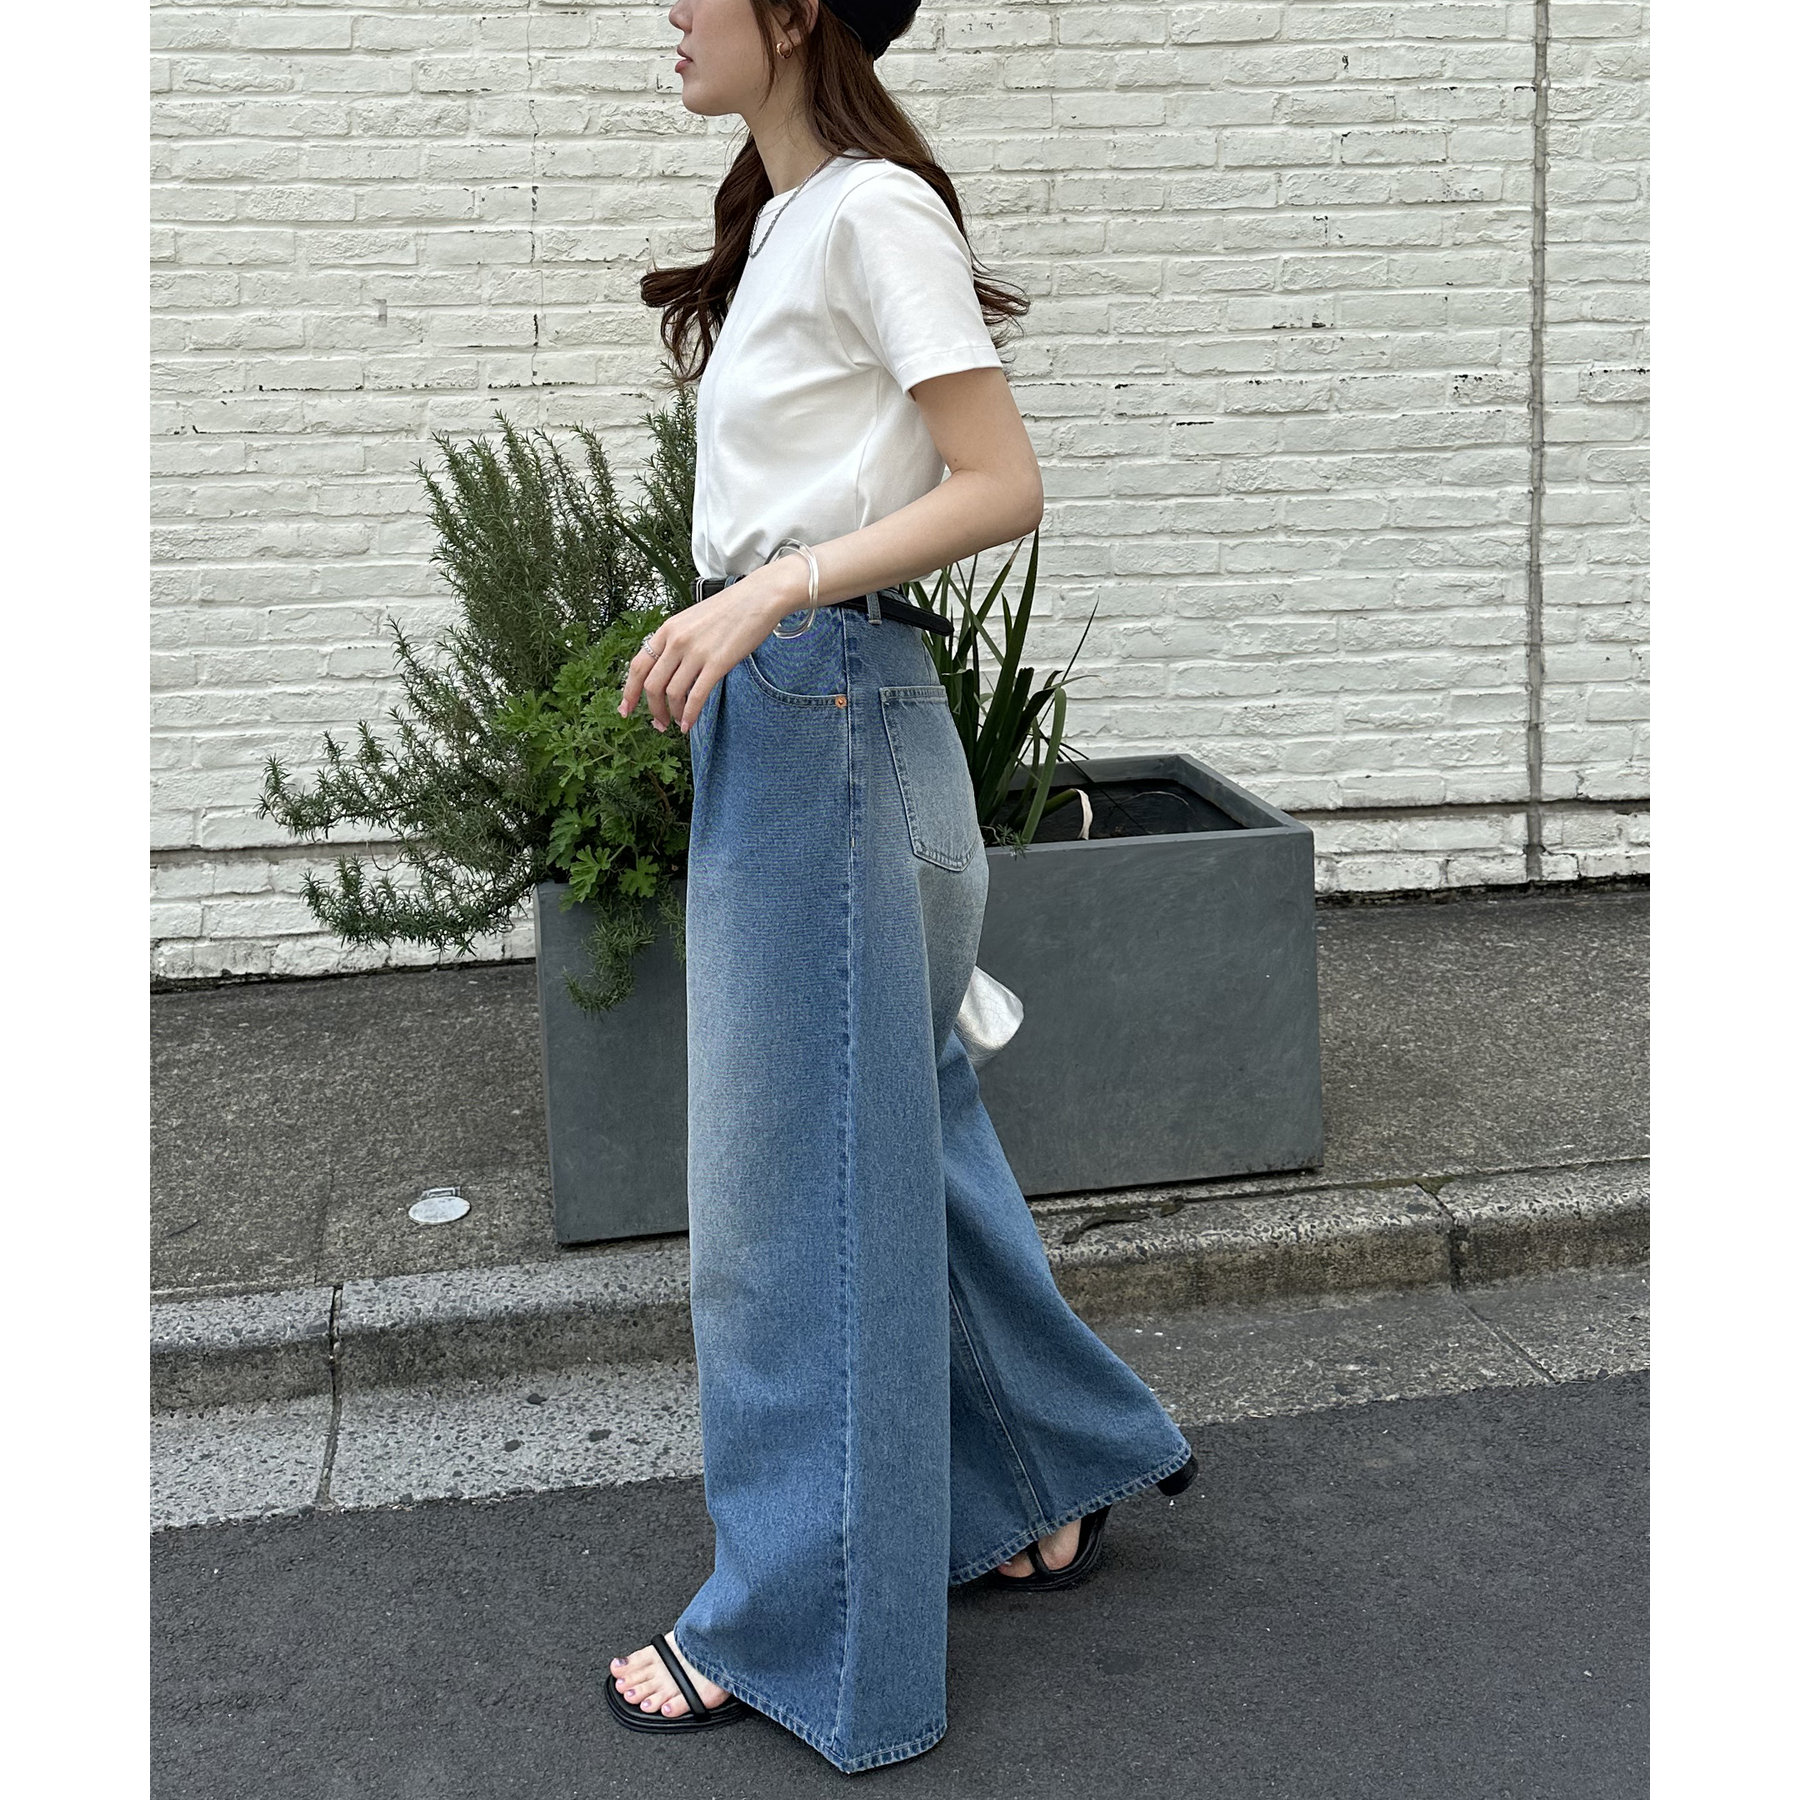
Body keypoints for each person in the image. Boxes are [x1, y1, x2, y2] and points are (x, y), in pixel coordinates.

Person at [606, 1, 1197, 1773]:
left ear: (795, 11)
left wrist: (767, 592)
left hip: (831, 717)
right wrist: (750, 612)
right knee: (901, 1142)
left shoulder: (872, 209)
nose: (668, 12)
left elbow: (1002, 482)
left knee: (787, 1212)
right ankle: (1041, 1477)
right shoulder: (792, 216)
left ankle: (795, 1625)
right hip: (814, 719)